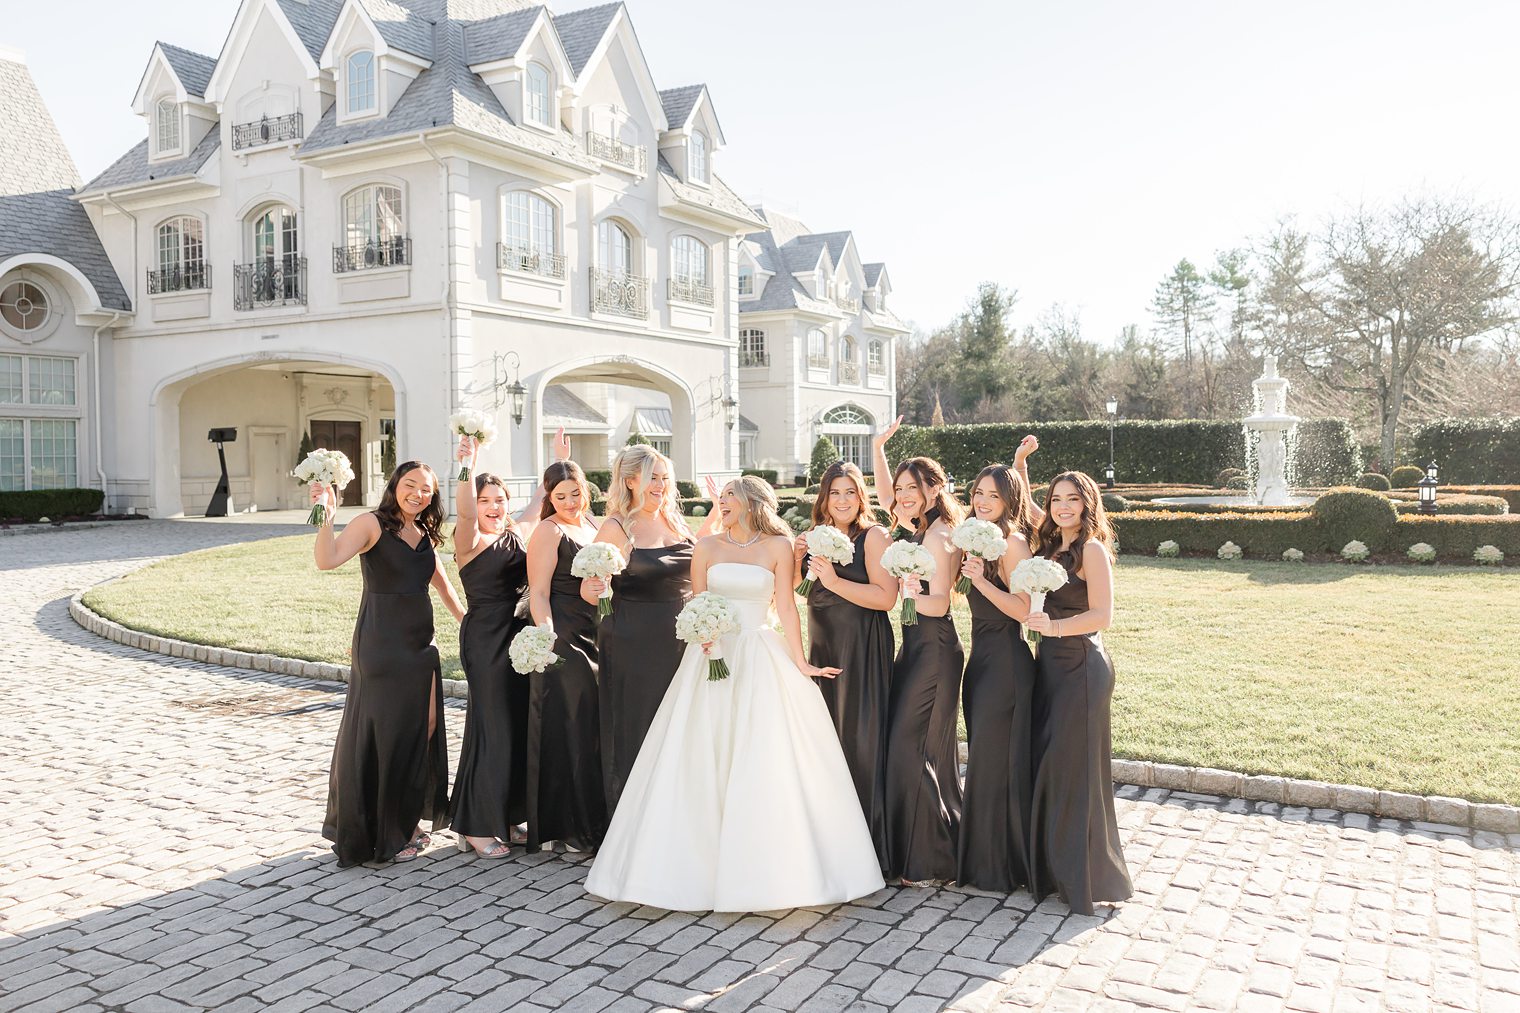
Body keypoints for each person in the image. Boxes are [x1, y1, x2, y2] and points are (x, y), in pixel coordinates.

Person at [585, 477, 884, 912]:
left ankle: (768, 872)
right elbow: (697, 602)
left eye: (728, 498)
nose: (721, 503)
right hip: (711, 653)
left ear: (750, 503)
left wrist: (800, 663)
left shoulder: (779, 546)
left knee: (762, 757)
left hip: (760, 652)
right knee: (699, 756)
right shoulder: (706, 547)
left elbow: (785, 606)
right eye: (721, 498)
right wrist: (703, 635)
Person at [312, 461, 464, 867]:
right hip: (381, 644)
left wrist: (468, 624)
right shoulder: (371, 524)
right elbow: (327, 560)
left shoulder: (424, 533)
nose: (418, 493)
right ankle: (385, 826)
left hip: (421, 644)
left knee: (426, 725)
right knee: (387, 733)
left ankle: (405, 816)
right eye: (410, 485)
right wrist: (326, 519)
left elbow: (443, 586)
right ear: (394, 485)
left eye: (427, 489)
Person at [445, 429, 564, 858]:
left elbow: (541, 498)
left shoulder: (515, 530)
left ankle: (507, 816)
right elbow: (462, 510)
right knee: (492, 729)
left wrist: (557, 460)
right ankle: (476, 825)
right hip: (485, 640)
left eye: (500, 500)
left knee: (515, 727)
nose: (494, 508)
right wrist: (467, 464)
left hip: (517, 640)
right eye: (485, 501)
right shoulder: (469, 539)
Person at [582, 446, 720, 815]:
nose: (660, 485)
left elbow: (693, 561)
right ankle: (631, 818)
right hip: (633, 639)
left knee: (679, 725)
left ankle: (674, 814)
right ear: (630, 481)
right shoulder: (616, 526)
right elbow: (588, 585)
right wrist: (594, 588)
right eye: (651, 478)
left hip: (681, 639)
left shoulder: (674, 518)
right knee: (639, 725)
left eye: (664, 477)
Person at [1023, 471, 1133, 915]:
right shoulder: (1052, 547)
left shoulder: (1091, 550)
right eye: (1055, 500)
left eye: (1072, 499)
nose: (1062, 507)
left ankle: (1088, 877)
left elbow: (1103, 615)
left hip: (1082, 668)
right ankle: (1057, 870)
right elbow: (1027, 509)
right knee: (1055, 767)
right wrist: (1021, 464)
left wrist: (1055, 627)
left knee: (1078, 772)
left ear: (1088, 504)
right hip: (1050, 668)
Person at [872, 417, 965, 885]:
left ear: (934, 488)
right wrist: (878, 448)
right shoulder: (916, 524)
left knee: (911, 748)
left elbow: (941, 601)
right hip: (914, 648)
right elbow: (889, 495)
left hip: (935, 647)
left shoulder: (940, 533)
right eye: (902, 487)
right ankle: (921, 850)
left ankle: (938, 855)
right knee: (912, 745)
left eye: (914, 487)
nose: (903, 495)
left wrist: (907, 593)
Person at [792, 460, 897, 870]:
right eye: (834, 492)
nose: (842, 500)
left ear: (861, 496)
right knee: (825, 739)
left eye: (850, 492)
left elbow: (886, 599)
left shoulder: (874, 537)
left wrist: (835, 581)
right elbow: (799, 594)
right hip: (823, 647)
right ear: (824, 497)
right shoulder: (814, 537)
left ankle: (867, 849)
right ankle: (828, 842)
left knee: (860, 737)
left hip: (861, 646)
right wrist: (797, 559)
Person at [955, 464, 1039, 892]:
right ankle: (983, 860)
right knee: (986, 761)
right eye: (978, 493)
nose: (983, 502)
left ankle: (1002, 867)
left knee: (998, 763)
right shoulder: (976, 538)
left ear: (1009, 501)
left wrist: (980, 583)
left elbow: (1024, 611)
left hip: (1006, 662)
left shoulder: (1013, 544)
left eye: (993, 495)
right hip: (981, 662)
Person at [524, 459, 607, 852]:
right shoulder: (548, 530)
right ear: (548, 497)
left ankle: (594, 816)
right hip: (566, 637)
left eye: (576, 493)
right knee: (571, 725)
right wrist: (549, 639)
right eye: (561, 496)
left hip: (600, 633)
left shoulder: (593, 526)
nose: (571, 502)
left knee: (592, 728)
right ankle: (569, 827)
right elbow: (538, 592)